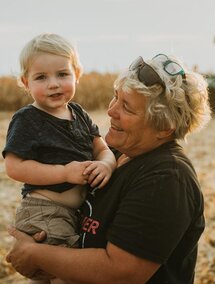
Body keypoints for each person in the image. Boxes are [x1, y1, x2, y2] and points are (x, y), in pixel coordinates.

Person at [7, 53, 211, 283]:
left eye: (127, 107)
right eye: (116, 97)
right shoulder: (113, 156)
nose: (111, 111)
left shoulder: (166, 178)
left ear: (165, 127)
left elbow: (120, 273)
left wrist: (36, 254)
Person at [2, 33, 116, 283]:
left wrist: (107, 164)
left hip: (74, 214)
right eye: (41, 77)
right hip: (45, 211)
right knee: (65, 273)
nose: (53, 83)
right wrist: (64, 173)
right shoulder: (27, 119)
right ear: (25, 82)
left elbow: (102, 148)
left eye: (62, 74)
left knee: (51, 274)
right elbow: (15, 167)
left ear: (77, 74)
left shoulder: (79, 114)